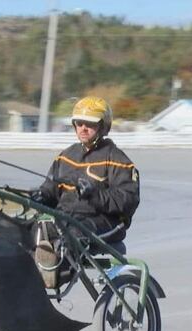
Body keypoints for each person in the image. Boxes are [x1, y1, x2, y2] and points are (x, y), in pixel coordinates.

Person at [30, 96, 140, 288]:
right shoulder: (65, 156)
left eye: (89, 124)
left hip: (105, 223)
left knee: (72, 231)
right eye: (79, 123)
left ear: (103, 126)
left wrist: (93, 194)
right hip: (66, 217)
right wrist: (42, 196)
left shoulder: (117, 160)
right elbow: (50, 189)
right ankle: (33, 268)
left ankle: (56, 273)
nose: (83, 128)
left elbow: (127, 201)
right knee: (31, 226)